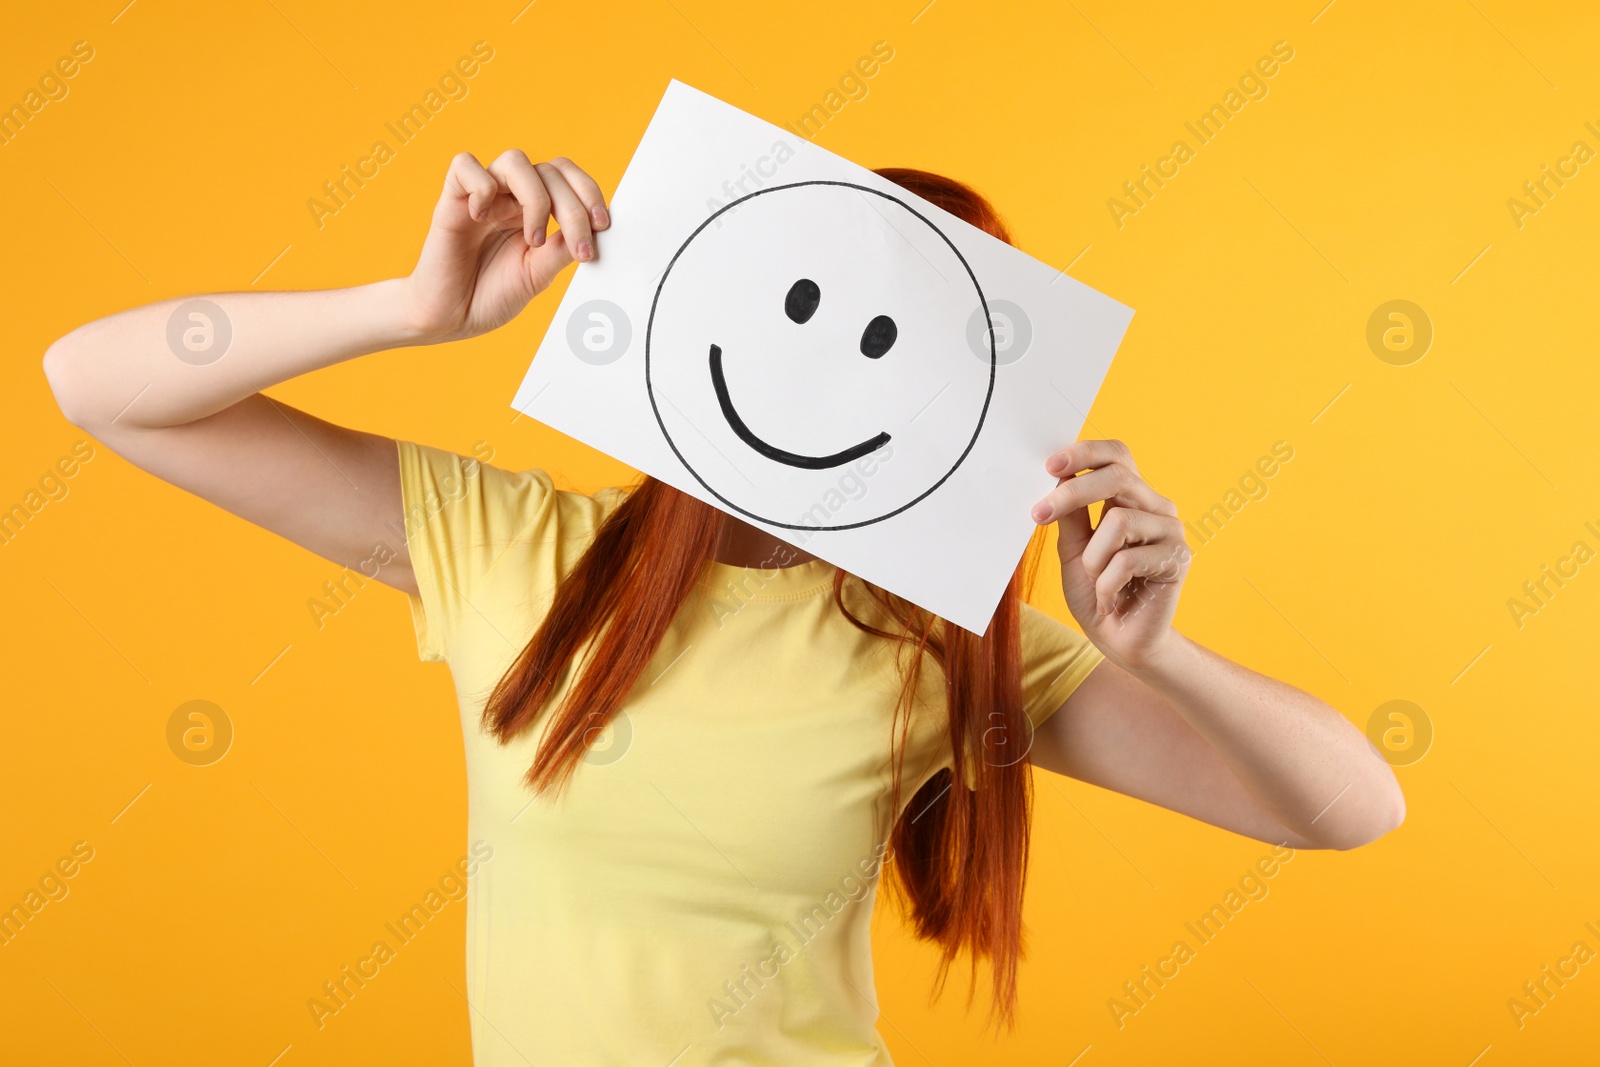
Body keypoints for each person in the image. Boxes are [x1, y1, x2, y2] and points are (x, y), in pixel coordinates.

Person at [42, 150, 1404, 1065]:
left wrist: (1165, 656)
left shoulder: (940, 651)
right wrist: (408, 311)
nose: (843, 373)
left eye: (908, 348)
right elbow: (96, 385)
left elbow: (1351, 809)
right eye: (812, 310)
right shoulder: (513, 550)